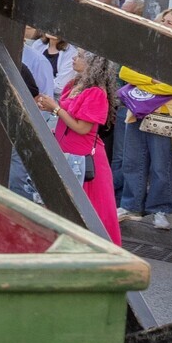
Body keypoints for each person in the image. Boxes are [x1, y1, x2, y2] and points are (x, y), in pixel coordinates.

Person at [113, 9, 172, 228]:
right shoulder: (146, 46)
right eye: (163, 20)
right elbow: (125, 73)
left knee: (161, 165)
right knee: (132, 161)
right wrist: (152, 81)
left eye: (170, 22)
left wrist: (144, 82)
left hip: (164, 115)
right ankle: (131, 206)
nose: (164, 24)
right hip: (137, 111)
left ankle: (159, 209)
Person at [38, 49, 118, 235]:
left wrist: (56, 109)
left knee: (90, 211)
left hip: (83, 158)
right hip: (67, 152)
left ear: (93, 64)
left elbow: (82, 128)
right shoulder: (74, 84)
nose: (74, 58)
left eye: (80, 56)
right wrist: (50, 108)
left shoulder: (96, 92)